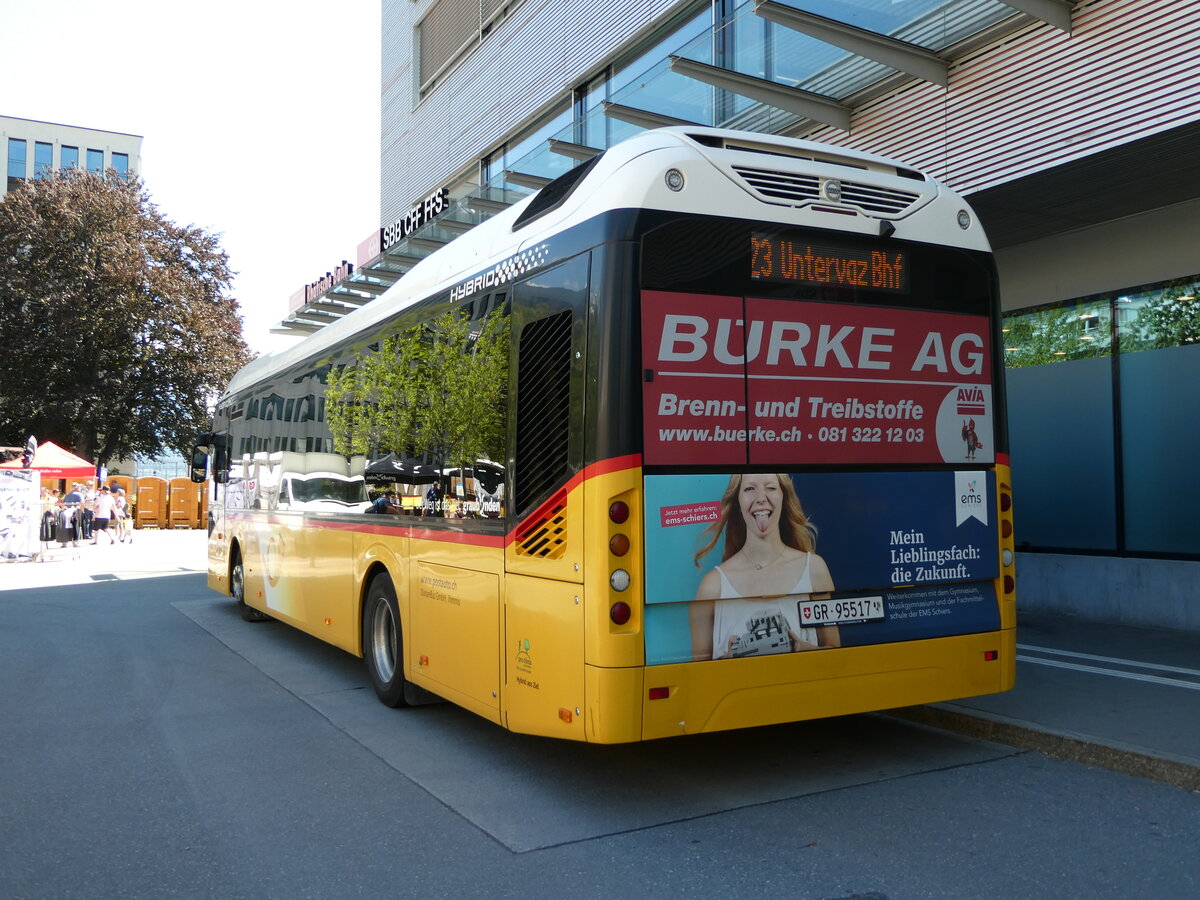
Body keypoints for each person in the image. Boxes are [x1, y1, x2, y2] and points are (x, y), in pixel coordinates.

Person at [689, 473, 840, 660]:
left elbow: (835, 654)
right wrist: (727, 662)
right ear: (738, 501)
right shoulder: (711, 587)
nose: (761, 498)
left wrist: (799, 647)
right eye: (750, 489)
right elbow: (700, 674)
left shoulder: (814, 569)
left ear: (783, 497)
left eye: (771, 488)